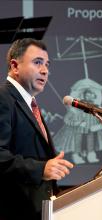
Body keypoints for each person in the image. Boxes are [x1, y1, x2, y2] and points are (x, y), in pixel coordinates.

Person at [0, 38, 74, 220]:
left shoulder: (29, 103)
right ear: (15, 66)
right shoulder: (3, 98)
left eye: (47, 64)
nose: (45, 70)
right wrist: (41, 169)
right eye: (37, 62)